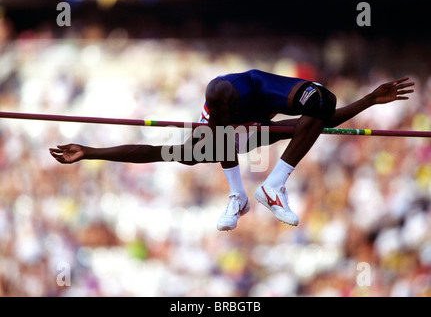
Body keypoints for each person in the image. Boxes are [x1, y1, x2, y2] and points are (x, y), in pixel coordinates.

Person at [49, 69, 414, 231]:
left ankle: (264, 189)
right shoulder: (237, 140)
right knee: (320, 105)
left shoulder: (216, 108)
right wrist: (90, 152)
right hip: (253, 114)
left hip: (254, 87)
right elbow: (320, 120)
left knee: (320, 99)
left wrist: (369, 99)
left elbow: (152, 150)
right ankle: (250, 194)